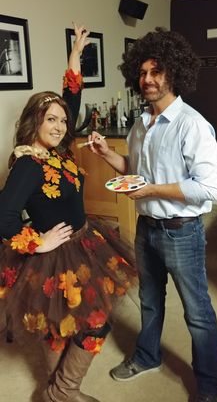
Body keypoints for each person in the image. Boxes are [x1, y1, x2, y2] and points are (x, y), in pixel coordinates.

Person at [88, 27, 217, 402]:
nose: (147, 80)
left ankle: (211, 384)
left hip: (182, 232)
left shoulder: (192, 125)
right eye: (143, 72)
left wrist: (151, 189)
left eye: (156, 71)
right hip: (146, 227)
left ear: (174, 73)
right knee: (150, 299)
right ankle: (148, 356)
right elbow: (134, 171)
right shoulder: (140, 124)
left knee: (197, 312)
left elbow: (208, 188)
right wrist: (107, 156)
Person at [0, 23, 136, 402]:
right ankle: (63, 392)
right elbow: (3, 217)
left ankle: (59, 391)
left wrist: (76, 54)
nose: (60, 126)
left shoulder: (57, 151)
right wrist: (37, 243)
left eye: (62, 121)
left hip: (85, 243)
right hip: (55, 255)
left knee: (88, 321)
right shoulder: (28, 163)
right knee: (65, 326)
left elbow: (70, 101)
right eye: (51, 120)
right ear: (34, 123)